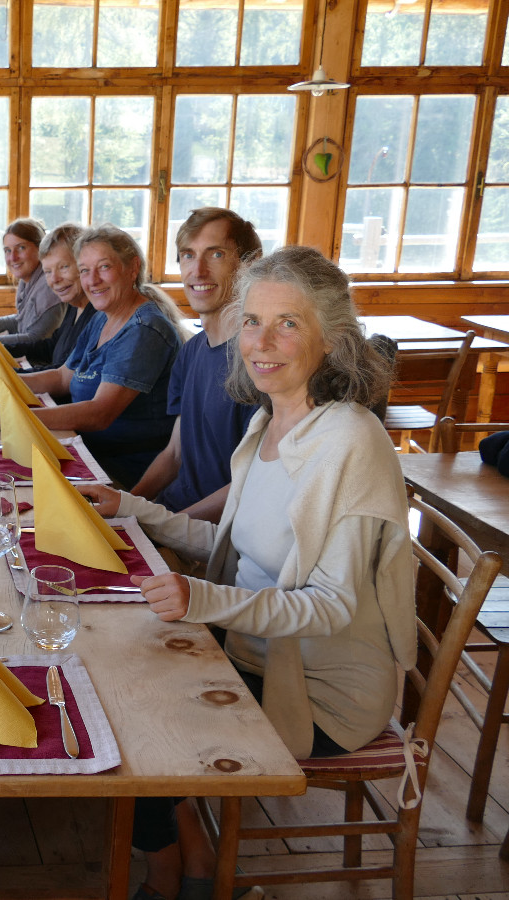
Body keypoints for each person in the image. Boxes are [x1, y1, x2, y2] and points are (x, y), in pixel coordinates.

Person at [80, 245, 413, 900]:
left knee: (133, 712)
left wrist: (200, 598)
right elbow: (236, 548)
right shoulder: (269, 420)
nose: (262, 342)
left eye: (288, 323)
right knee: (111, 674)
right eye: (253, 321)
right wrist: (133, 508)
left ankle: (176, 869)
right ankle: (191, 858)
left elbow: (329, 607)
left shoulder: (349, 440)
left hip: (321, 690)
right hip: (253, 649)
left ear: (331, 337)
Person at [0, 225, 186, 488]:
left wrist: (11, 417)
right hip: (85, 451)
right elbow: (62, 377)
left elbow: (99, 413)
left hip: (121, 471)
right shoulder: (102, 316)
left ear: (133, 267)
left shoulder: (144, 330)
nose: (92, 280)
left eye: (104, 267)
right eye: (85, 270)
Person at [130, 208, 262, 522]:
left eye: (216, 254)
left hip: (210, 534)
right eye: (188, 255)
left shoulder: (261, 364)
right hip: (172, 511)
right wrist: (126, 507)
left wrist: (168, 529)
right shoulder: (191, 352)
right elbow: (175, 454)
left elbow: (250, 485)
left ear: (249, 266)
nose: (198, 271)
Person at [14, 222, 97, 370]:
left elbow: (64, 374)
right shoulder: (74, 306)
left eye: (64, 267)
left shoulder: (98, 315)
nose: (54, 279)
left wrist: (7, 374)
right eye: (47, 271)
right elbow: (49, 347)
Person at [0, 218, 66, 354]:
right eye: (7, 250)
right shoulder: (28, 280)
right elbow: (20, 321)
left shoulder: (48, 285)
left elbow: (36, 339)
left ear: (40, 249)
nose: (13, 258)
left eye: (21, 248)